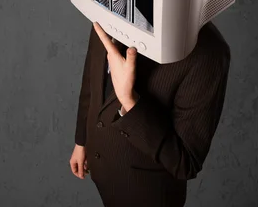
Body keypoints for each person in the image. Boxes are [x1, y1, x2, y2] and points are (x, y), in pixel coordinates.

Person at [69, 21, 231, 207]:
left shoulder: (209, 52)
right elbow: (91, 76)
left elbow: (186, 162)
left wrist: (129, 100)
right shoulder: (107, 8)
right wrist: (82, 141)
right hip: (104, 174)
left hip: (146, 192)